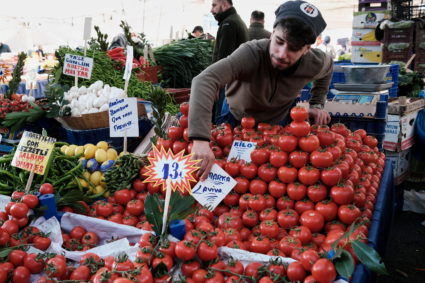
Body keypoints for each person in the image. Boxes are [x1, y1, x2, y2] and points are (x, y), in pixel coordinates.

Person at [188, 0, 333, 180]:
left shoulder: (314, 62)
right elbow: (205, 80)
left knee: (269, 178)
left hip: (277, 125)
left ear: (306, 49)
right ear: (272, 33)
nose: (281, 53)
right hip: (236, 119)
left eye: (294, 48)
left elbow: (329, 68)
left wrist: (317, 103)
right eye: (279, 41)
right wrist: (200, 140)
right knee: (231, 176)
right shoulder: (251, 53)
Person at [210, 0, 249, 123]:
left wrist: (216, 84)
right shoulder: (236, 20)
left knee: (221, 122)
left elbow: (224, 58)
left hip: (227, 82)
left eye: (214, 5)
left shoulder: (229, 24)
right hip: (235, 81)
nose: (212, 10)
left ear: (225, 4)